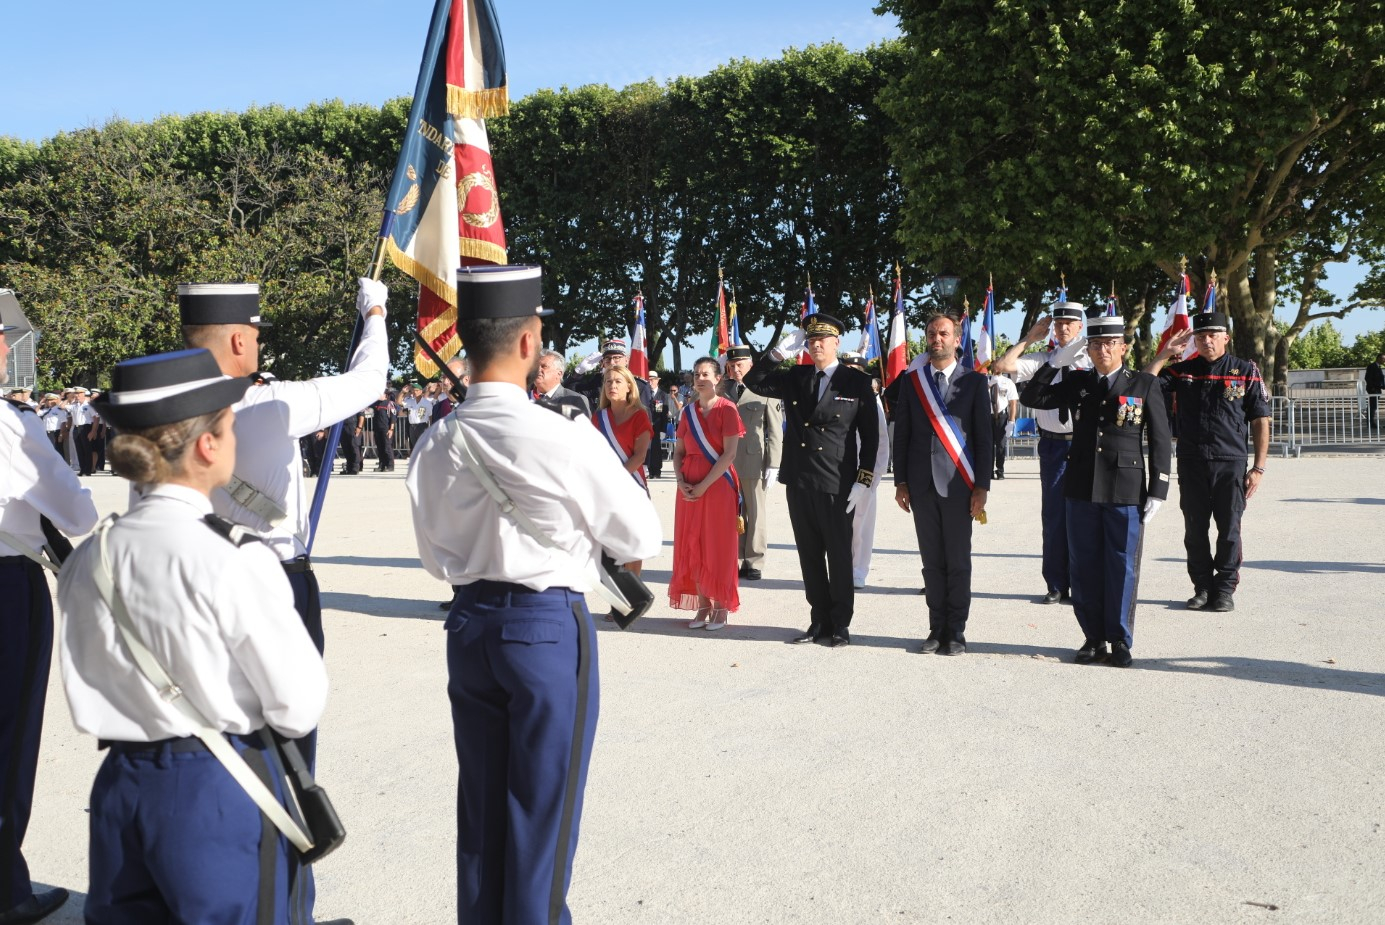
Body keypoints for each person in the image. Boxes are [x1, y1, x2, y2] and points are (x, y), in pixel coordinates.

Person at [406, 265, 661, 925]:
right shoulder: (562, 435)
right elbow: (640, 531)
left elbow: (435, 559)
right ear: (529, 342)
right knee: (541, 817)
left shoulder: (434, 443)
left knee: (483, 809)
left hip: (469, 626)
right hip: (544, 626)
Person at [57, 348, 330, 925]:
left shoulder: (91, 556)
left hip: (119, 788)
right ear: (208, 445)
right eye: (228, 426)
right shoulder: (232, 555)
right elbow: (298, 706)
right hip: (214, 786)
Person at [180, 278, 385, 921]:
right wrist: (374, 310)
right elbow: (368, 380)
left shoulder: (160, 415)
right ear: (240, 338)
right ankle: (288, 911)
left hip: (198, 591)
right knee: (290, 755)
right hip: (275, 586)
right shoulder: (271, 406)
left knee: (224, 753)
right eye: (257, 333)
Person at [0, 324, 98, 925]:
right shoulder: (13, 423)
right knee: (9, 738)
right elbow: (78, 513)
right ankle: (6, 889)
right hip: (7, 585)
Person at [1021, 314, 1171, 667]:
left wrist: (1159, 489)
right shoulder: (1078, 381)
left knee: (1121, 565)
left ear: (1123, 347)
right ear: (1087, 348)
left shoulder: (1143, 384)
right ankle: (1092, 637)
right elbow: (1033, 395)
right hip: (1082, 485)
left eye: (1110, 344)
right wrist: (1056, 361)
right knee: (1083, 565)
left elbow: (1161, 440)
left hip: (1126, 487)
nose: (1103, 350)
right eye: (1096, 344)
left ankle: (1119, 639)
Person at [744, 312, 879, 647]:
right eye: (811, 340)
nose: (816, 345)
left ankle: (841, 624)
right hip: (801, 478)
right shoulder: (797, 376)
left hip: (837, 481)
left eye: (823, 339)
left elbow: (871, 438)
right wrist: (777, 354)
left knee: (838, 554)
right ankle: (818, 620)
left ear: (836, 343)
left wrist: (864, 481)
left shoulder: (856, 382)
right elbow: (753, 381)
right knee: (809, 553)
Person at [1147, 311, 1272, 612]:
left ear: (1226, 338)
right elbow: (1145, 384)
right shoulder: (1182, 370)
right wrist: (1165, 353)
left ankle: (1225, 590)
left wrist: (1258, 467)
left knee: (1229, 529)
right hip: (1192, 461)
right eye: (1200, 336)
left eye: (1213, 335)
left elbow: (1261, 419)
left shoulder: (1245, 370)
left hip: (1230, 462)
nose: (1206, 340)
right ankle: (1202, 587)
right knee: (1195, 528)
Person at [892, 315, 993, 655]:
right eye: (932, 333)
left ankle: (957, 632)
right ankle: (936, 629)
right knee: (931, 561)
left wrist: (982, 486)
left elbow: (984, 438)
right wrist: (901, 481)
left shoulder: (975, 383)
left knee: (958, 561)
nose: (937, 338)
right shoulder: (912, 381)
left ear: (956, 339)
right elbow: (902, 434)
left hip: (959, 485)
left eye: (944, 333)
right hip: (921, 486)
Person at [991, 301, 1091, 603]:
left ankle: (1083, 582)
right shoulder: (1043, 359)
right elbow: (1003, 366)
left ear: (1079, 327)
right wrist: (1029, 338)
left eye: (1068, 324)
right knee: (1054, 516)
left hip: (1084, 443)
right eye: (1058, 324)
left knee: (1085, 516)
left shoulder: (1089, 359)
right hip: (1054, 445)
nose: (1062, 329)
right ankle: (1057, 584)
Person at [671, 357, 744, 629]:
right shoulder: (687, 412)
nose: (700, 378)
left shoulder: (727, 410)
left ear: (717, 378)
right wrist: (680, 481)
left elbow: (730, 454)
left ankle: (722, 606)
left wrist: (703, 485)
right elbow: (678, 452)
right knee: (693, 544)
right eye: (696, 374)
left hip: (717, 484)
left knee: (717, 545)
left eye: (706, 374)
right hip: (688, 484)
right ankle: (702, 606)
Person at [720, 344, 783, 581]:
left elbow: (775, 429)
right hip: (724, 462)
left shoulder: (764, 389)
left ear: (750, 365)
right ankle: (735, 558)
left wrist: (774, 463)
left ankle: (754, 560)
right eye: (732, 365)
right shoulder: (721, 389)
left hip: (754, 459)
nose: (736, 370)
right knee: (730, 512)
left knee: (755, 513)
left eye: (740, 365)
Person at [592, 365, 654, 586]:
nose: (612, 386)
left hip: (631, 486)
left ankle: (632, 596)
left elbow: (639, 456)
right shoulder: (599, 417)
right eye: (608, 382)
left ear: (629, 386)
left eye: (618, 381)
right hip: (605, 489)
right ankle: (616, 598)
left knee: (631, 544)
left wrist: (614, 480)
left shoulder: (639, 416)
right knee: (610, 546)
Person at [840, 353, 890, 590]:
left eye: (854, 368)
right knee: (839, 525)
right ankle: (841, 569)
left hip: (864, 472)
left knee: (861, 524)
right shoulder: (834, 394)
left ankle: (859, 570)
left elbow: (880, 441)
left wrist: (874, 476)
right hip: (839, 471)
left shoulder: (872, 399)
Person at [568, 338, 653, 413]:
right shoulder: (595, 383)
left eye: (617, 358)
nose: (612, 362)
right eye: (608, 358)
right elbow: (568, 394)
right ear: (602, 363)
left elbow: (645, 419)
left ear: (626, 360)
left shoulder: (640, 386)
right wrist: (578, 372)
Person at [532, 349, 591, 420]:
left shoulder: (576, 400)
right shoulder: (524, 398)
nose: (538, 370)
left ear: (559, 374)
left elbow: (583, 430)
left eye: (544, 366)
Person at [989, 373, 1019, 479]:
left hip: (1001, 416)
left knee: (1001, 445)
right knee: (988, 445)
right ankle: (989, 471)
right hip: (987, 416)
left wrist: (1011, 421)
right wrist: (988, 385)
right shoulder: (985, 381)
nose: (997, 368)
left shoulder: (1008, 382)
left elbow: (1013, 403)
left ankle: (1000, 470)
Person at [645, 370, 672, 479]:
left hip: (657, 425)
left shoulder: (662, 395)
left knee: (656, 449)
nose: (650, 382)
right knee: (648, 448)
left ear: (657, 381)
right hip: (646, 425)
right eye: (648, 380)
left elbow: (663, 413)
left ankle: (657, 471)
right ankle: (650, 470)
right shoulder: (645, 394)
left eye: (652, 380)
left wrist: (663, 430)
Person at [369, 390, 396, 471]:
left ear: (386, 395)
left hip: (386, 429)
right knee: (380, 448)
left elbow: (393, 417)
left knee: (387, 447)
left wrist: (391, 429)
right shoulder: (376, 403)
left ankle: (390, 466)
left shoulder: (389, 403)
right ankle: (382, 465)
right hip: (377, 428)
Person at [1365, 352, 1383, 435]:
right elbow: (1368, 378)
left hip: (1377, 389)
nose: (1384, 360)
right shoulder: (1372, 366)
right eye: (1383, 358)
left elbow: (1379, 379)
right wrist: (1372, 388)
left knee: (1373, 407)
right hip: (1373, 390)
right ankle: (1371, 423)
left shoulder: (1378, 367)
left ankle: (1371, 422)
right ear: (1378, 358)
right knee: (1372, 407)